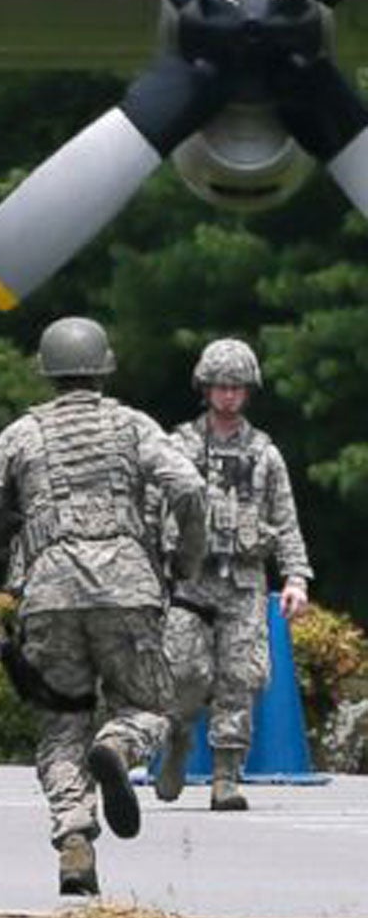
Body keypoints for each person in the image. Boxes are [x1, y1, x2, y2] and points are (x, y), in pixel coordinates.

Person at [0, 316, 205, 898]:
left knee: (61, 727)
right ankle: (118, 747)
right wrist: (183, 559)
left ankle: (74, 843)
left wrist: (21, 543)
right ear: (103, 368)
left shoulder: (23, 434)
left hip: (48, 595)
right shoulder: (133, 426)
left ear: (48, 372)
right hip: (128, 590)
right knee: (148, 707)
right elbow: (188, 486)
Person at [153, 338, 313, 812]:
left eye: (237, 388)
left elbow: (285, 522)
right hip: (190, 579)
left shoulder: (266, 455)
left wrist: (296, 579)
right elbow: (148, 507)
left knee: (240, 678)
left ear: (248, 392)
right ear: (206, 389)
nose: (228, 396)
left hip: (243, 582)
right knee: (182, 672)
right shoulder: (177, 447)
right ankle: (178, 738)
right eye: (220, 386)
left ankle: (227, 776)